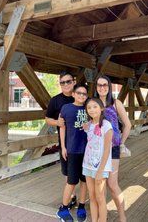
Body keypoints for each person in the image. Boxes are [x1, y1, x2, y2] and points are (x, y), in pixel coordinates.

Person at [94, 75, 132, 222]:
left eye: (105, 85)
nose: (102, 87)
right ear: (96, 87)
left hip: (113, 149)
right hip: (97, 150)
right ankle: (102, 216)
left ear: (109, 87)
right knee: (100, 184)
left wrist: (121, 142)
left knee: (112, 184)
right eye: (99, 85)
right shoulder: (93, 103)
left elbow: (127, 125)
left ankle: (122, 216)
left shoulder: (116, 103)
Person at [57, 83, 88, 222]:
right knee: (71, 181)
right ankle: (63, 209)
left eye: (84, 94)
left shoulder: (90, 108)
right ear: (74, 94)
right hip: (73, 149)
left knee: (85, 180)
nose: (82, 95)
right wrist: (63, 147)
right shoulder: (66, 108)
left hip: (88, 150)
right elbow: (62, 127)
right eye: (79, 93)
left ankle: (81, 206)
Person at [45, 72, 77, 209]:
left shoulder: (81, 97)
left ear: (74, 81)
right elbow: (47, 119)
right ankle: (71, 197)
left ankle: (83, 201)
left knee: (84, 173)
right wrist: (57, 122)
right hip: (66, 143)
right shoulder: (55, 100)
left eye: (68, 81)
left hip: (84, 142)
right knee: (69, 173)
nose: (65, 85)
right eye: (62, 82)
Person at [83, 98, 113, 222]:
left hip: (101, 167)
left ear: (101, 108)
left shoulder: (106, 125)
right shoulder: (89, 125)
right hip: (88, 165)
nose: (92, 109)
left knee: (100, 198)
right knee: (92, 197)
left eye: (95, 106)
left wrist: (100, 170)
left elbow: (107, 150)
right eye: (89, 107)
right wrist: (86, 127)